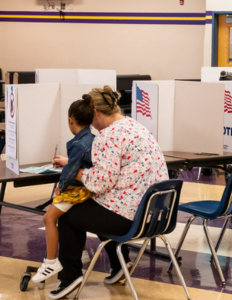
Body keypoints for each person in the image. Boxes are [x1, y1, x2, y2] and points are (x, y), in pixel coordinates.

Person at [48, 86, 168, 299]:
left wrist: (74, 172)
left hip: (129, 217)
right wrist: (71, 163)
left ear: (95, 113)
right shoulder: (135, 126)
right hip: (154, 214)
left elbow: (100, 183)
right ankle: (119, 265)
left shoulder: (108, 135)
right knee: (99, 208)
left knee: (69, 216)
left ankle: (70, 278)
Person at [31, 98, 95, 283]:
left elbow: (70, 171)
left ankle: (50, 262)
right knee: (74, 218)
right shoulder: (93, 139)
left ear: (70, 120)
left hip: (76, 191)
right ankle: (82, 253)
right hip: (88, 190)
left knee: (48, 218)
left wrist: (61, 186)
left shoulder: (77, 144)